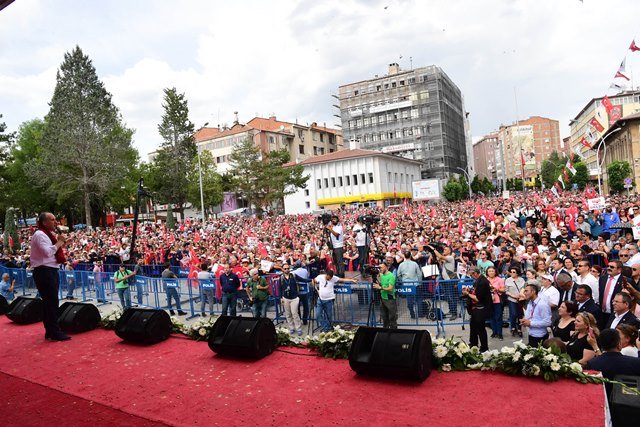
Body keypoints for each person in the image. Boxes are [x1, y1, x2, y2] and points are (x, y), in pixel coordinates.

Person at [30, 212, 69, 341]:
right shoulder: (40, 235)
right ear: (44, 222)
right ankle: (54, 332)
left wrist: (61, 242)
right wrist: (59, 242)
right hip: (44, 270)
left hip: (48, 269)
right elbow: (47, 252)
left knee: (49, 302)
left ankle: (50, 330)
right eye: (52, 220)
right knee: (51, 302)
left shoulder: (46, 234)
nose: (55, 222)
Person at [586, 328, 640, 398]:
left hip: (602, 401)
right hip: (629, 404)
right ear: (619, 344)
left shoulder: (593, 363)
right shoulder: (634, 363)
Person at [462, 266, 492, 352]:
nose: (471, 276)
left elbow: (478, 298)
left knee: (480, 329)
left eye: (471, 275)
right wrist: (469, 291)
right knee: (473, 327)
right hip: (475, 309)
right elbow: (474, 291)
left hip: (481, 309)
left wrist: (467, 294)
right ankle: (473, 344)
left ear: (475, 273)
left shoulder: (482, 282)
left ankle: (484, 348)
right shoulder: (478, 281)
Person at [520, 282, 552, 348]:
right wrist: (524, 321)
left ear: (533, 291)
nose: (524, 293)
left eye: (526, 291)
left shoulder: (542, 304)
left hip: (540, 336)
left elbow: (548, 322)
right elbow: (530, 317)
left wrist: (530, 323)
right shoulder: (530, 303)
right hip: (531, 334)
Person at [396, 250, 423, 319]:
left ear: (404, 256)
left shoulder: (401, 265)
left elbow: (398, 275)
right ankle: (420, 314)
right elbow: (419, 274)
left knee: (409, 300)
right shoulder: (414, 264)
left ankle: (412, 314)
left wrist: (402, 281)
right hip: (415, 284)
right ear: (410, 256)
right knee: (419, 299)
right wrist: (420, 283)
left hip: (406, 285)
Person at [279, 263, 302, 335]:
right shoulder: (281, 278)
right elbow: (279, 288)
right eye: (285, 268)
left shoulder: (293, 276)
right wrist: (280, 297)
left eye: (288, 268)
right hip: (285, 298)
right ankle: (291, 328)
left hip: (294, 297)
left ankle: (298, 328)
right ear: (282, 269)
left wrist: (312, 280)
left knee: (295, 313)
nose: (286, 270)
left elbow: (303, 279)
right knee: (288, 314)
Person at [373, 262, 397, 329]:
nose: (379, 269)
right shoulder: (381, 274)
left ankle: (394, 331)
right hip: (382, 298)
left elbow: (390, 288)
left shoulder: (391, 276)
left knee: (392, 317)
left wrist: (380, 287)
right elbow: (380, 282)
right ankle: (385, 331)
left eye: (381, 267)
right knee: (384, 317)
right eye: (379, 267)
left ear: (386, 267)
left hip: (390, 299)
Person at [504, 266, 525, 337]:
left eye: (514, 272)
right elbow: (506, 291)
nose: (512, 273)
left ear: (517, 273)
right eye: (511, 272)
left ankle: (519, 328)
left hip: (520, 299)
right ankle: (513, 327)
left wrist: (520, 296)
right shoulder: (508, 280)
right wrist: (513, 296)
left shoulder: (521, 280)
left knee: (520, 315)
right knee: (513, 314)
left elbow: (523, 289)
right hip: (511, 299)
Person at [486, 266, 505, 340]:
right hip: (489, 301)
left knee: (498, 317)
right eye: (489, 271)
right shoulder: (485, 280)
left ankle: (500, 333)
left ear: (495, 272)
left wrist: (496, 289)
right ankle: (494, 332)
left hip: (497, 301)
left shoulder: (500, 280)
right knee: (491, 317)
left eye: (492, 271)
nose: (491, 272)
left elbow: (503, 290)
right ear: (487, 272)